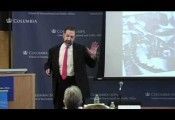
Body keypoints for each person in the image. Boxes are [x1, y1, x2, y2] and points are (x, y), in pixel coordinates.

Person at [44, 26, 99, 109]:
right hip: (60, 84)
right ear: (63, 35)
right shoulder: (53, 50)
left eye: (72, 37)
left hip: (76, 84)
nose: (69, 38)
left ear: (75, 37)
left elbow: (92, 64)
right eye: (67, 36)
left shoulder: (81, 49)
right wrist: (47, 68)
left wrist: (93, 56)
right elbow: (48, 63)